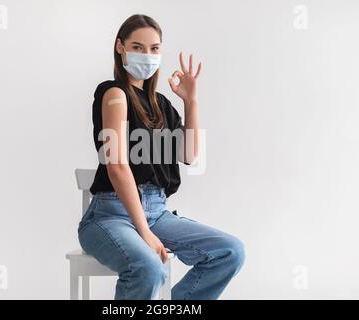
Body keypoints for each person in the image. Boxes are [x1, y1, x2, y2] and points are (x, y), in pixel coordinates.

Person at [78, 14, 245, 300]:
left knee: (230, 251)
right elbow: (117, 166)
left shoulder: (161, 105)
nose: (147, 55)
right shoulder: (114, 94)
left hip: (157, 211)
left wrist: (191, 101)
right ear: (120, 47)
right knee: (150, 267)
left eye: (154, 49)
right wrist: (143, 230)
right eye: (138, 47)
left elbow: (189, 155)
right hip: (111, 215)